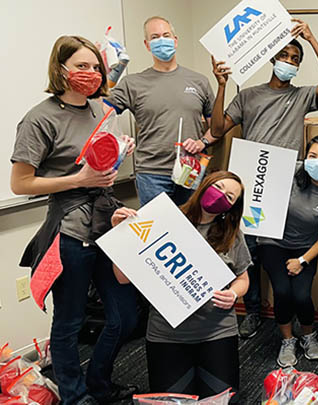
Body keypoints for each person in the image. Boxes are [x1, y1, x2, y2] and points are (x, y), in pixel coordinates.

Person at [10, 35, 137, 405]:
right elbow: (19, 183)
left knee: (124, 316)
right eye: (82, 66)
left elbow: (101, 166)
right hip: (69, 230)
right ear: (61, 69)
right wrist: (78, 179)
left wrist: (117, 155)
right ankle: (75, 396)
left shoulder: (103, 111)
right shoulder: (40, 118)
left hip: (107, 223)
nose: (92, 73)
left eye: (96, 67)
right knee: (68, 323)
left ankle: (99, 383)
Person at [207, 19, 318, 338]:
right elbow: (216, 130)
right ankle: (253, 311)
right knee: (248, 251)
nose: (289, 62)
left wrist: (310, 38)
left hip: (289, 183)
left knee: (282, 249)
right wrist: (222, 85)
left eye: (296, 59)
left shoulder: (303, 96)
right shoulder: (249, 96)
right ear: (272, 58)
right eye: (284, 56)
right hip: (251, 181)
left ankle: (293, 316)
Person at [111, 171, 251, 403]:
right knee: (170, 402)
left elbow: (243, 279)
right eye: (218, 187)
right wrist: (121, 235)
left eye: (229, 197)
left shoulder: (231, 234)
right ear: (205, 185)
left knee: (223, 401)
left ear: (232, 208)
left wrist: (234, 293)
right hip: (167, 334)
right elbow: (123, 278)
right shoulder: (160, 221)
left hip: (217, 331)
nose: (220, 197)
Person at [104, 16, 215, 207]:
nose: (161, 40)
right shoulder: (133, 83)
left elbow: (216, 127)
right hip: (151, 173)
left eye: (166, 35)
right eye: (155, 37)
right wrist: (111, 73)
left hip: (190, 170)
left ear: (175, 40)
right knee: (158, 232)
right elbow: (100, 113)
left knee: (192, 230)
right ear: (147, 45)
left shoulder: (199, 81)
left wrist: (201, 142)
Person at [257, 135, 318, 367]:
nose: (317, 162)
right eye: (312, 156)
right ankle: (287, 340)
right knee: (282, 292)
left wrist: (302, 260)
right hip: (273, 242)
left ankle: (308, 335)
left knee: (301, 296)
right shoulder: (291, 172)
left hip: (306, 248)